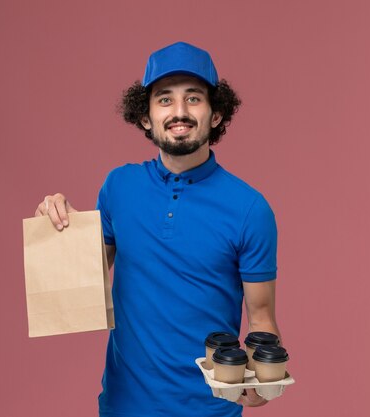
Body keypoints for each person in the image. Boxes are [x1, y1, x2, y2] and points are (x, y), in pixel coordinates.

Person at [34, 41, 283, 417]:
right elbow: (82, 286)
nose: (179, 112)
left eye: (194, 98)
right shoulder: (118, 187)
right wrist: (60, 227)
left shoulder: (250, 208)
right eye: (164, 99)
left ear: (216, 114)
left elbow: (262, 318)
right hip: (122, 407)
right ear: (145, 117)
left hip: (209, 410)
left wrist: (261, 384)